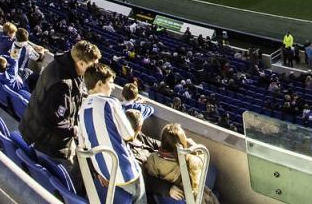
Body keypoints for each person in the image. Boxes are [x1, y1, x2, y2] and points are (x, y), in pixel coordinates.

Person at [19, 40, 101, 164]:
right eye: (92, 65)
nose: (94, 69)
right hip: (45, 144)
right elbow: (51, 120)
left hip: (38, 135)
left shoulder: (64, 66)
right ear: (81, 63)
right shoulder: (62, 85)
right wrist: (74, 130)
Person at [76, 63, 145, 202]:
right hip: (125, 172)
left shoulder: (81, 109)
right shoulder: (110, 102)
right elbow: (129, 135)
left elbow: (83, 146)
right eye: (111, 82)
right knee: (141, 197)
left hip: (102, 172)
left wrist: (99, 170)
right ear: (99, 84)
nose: (113, 87)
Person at [143, 123, 219, 204]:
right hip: (190, 192)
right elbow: (202, 163)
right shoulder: (190, 158)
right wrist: (194, 146)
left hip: (180, 194)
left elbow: (150, 176)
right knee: (213, 174)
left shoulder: (153, 159)